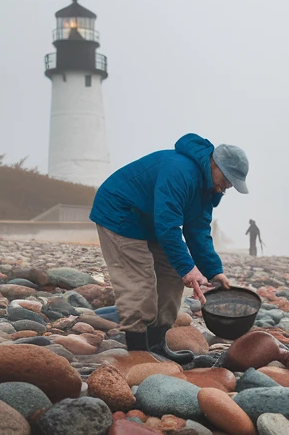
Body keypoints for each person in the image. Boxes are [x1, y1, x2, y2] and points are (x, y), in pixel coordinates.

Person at [89, 133, 249, 356]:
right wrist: (188, 268)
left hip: (150, 220)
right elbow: (168, 225)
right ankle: (138, 352)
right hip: (119, 213)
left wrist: (214, 271)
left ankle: (157, 345)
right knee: (140, 280)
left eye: (232, 183)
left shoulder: (207, 187)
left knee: (172, 274)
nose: (227, 186)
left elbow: (198, 231)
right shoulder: (180, 171)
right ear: (214, 164)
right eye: (228, 178)